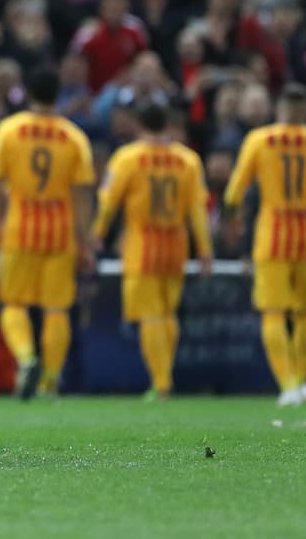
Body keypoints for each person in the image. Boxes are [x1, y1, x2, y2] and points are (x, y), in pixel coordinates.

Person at [225, 84, 306, 407]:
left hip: (271, 236)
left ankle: (288, 384)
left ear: (279, 108)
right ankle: (303, 382)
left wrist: (231, 223)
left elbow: (234, 191)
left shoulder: (259, 140)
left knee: (273, 313)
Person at [0, 67, 96, 399]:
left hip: (20, 228)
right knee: (56, 309)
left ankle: (25, 357)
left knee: (14, 303)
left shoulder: (10, 130)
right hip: (60, 231)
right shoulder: (73, 137)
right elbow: (82, 194)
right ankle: (49, 380)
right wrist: (84, 240)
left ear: (29, 92)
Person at [92, 104, 213, 400]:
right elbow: (197, 210)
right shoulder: (187, 160)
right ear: (168, 125)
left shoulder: (127, 158)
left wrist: (96, 234)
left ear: (139, 125)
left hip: (141, 244)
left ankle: (161, 383)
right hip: (176, 244)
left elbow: (108, 202)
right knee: (167, 314)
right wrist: (204, 248)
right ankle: (164, 377)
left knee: (150, 317)